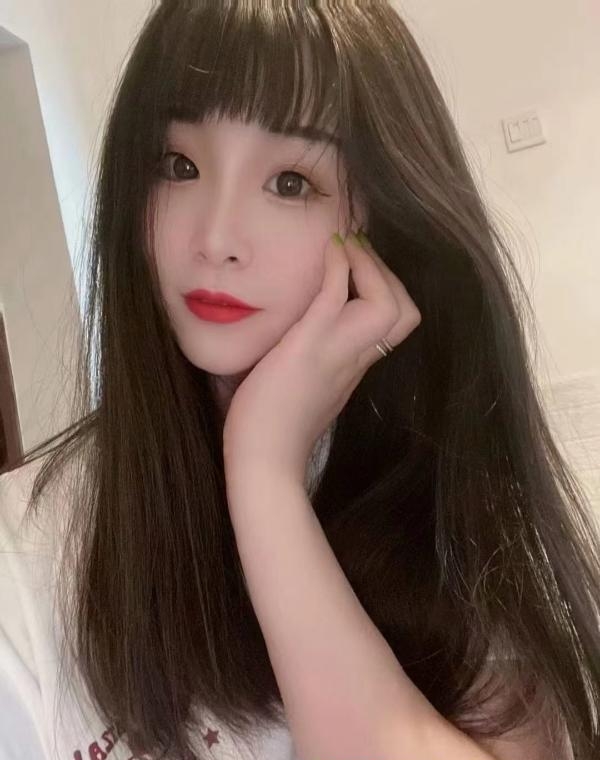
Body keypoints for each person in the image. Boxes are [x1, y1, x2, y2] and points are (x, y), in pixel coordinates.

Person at [1, 1, 598, 758]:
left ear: (376, 218)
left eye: (289, 181)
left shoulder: (450, 504)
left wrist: (264, 477)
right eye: (178, 166)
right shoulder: (24, 557)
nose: (216, 238)